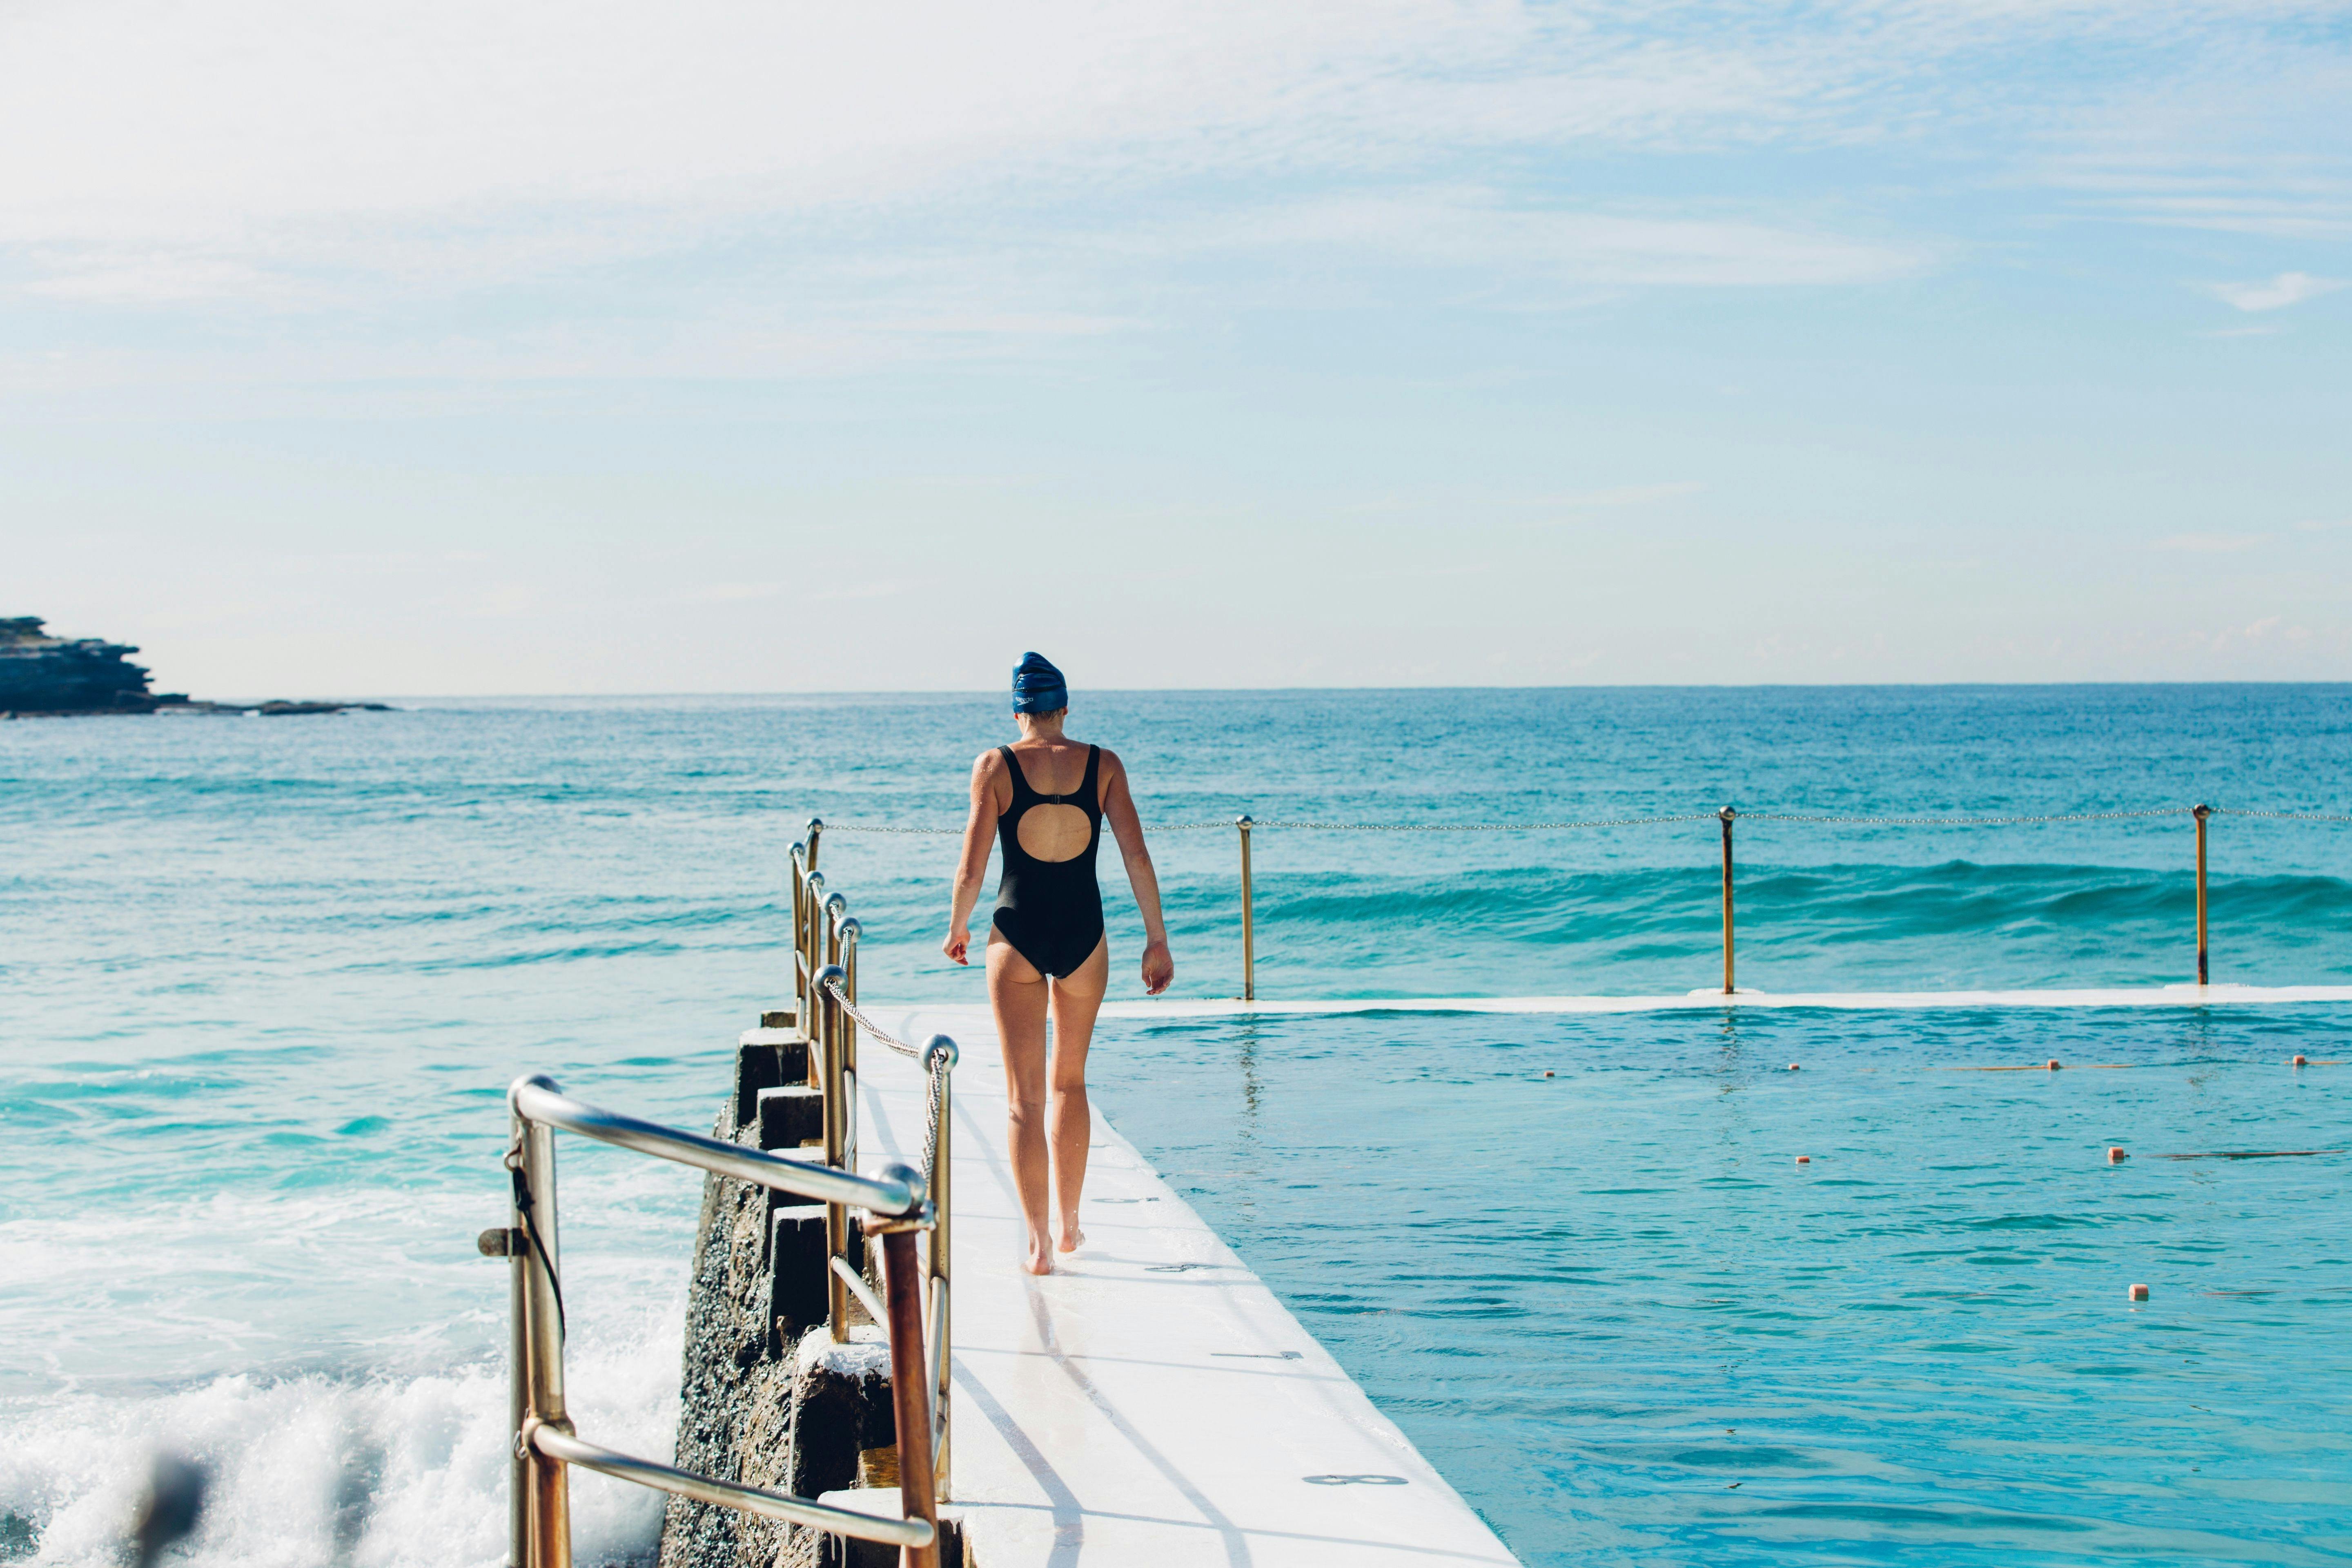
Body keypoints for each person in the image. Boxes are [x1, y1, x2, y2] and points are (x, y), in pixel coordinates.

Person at [943, 652, 1174, 1275]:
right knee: (1069, 1082)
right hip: (1084, 937)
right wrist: (1156, 939)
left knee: (1024, 1099)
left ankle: (1040, 1243)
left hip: (1014, 934)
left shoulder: (994, 765)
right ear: (1064, 706)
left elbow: (972, 866)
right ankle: (1072, 1224)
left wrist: (959, 925)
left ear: (1018, 710)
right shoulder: (1103, 766)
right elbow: (1138, 858)